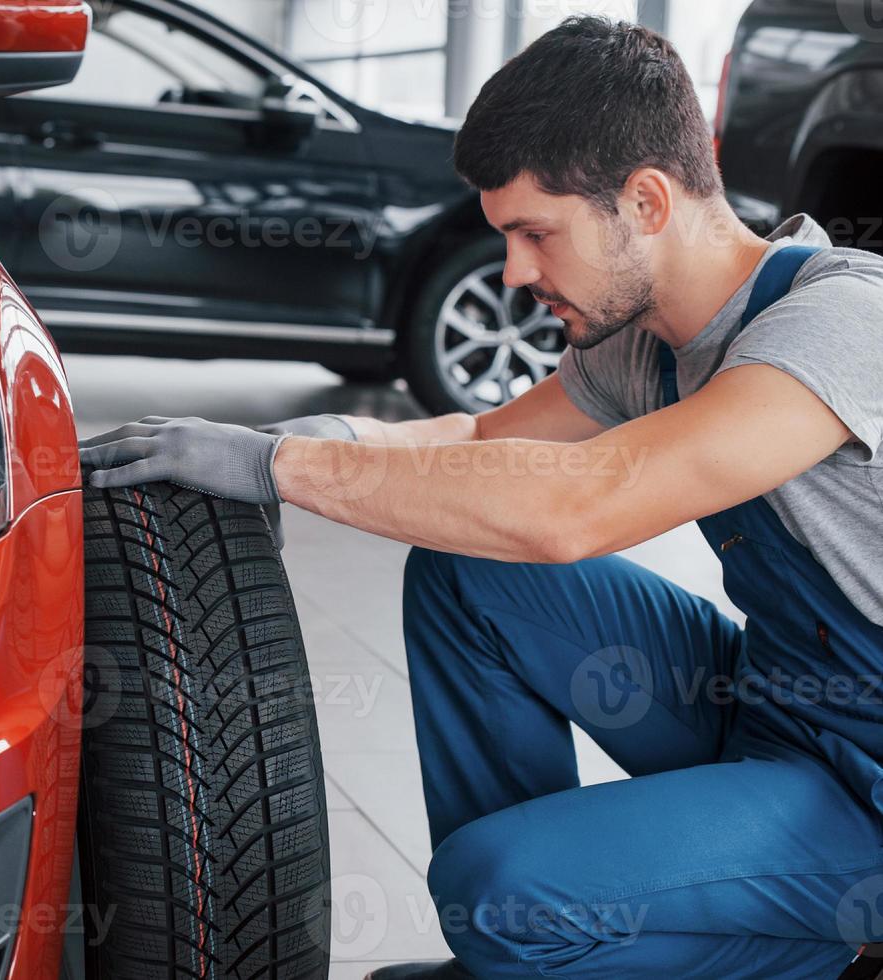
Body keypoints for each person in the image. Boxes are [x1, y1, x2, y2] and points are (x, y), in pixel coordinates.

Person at [78, 16, 883, 980]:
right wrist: (282, 443)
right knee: (469, 572)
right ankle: (535, 947)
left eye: (534, 233)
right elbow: (478, 439)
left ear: (646, 200)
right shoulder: (644, 344)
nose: (514, 272)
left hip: (866, 795)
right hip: (779, 708)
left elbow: (577, 506)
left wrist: (277, 477)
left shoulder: (839, 325)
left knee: (491, 889)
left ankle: (819, 951)